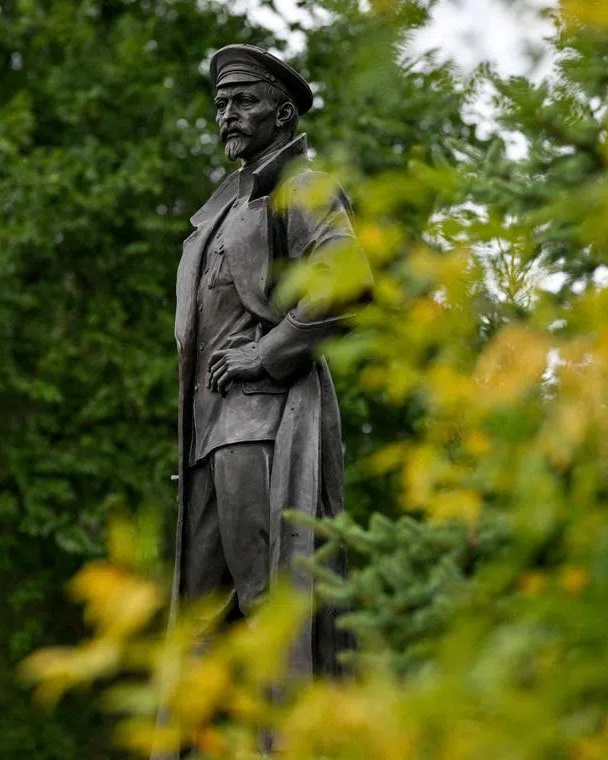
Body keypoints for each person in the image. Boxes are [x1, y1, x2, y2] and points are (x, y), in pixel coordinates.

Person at [167, 42, 371, 689]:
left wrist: (266, 351)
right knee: (198, 619)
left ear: (283, 114)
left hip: (257, 428)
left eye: (244, 100)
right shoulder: (226, 206)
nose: (228, 114)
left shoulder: (300, 188)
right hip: (207, 435)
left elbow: (346, 278)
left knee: (269, 603)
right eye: (221, 103)